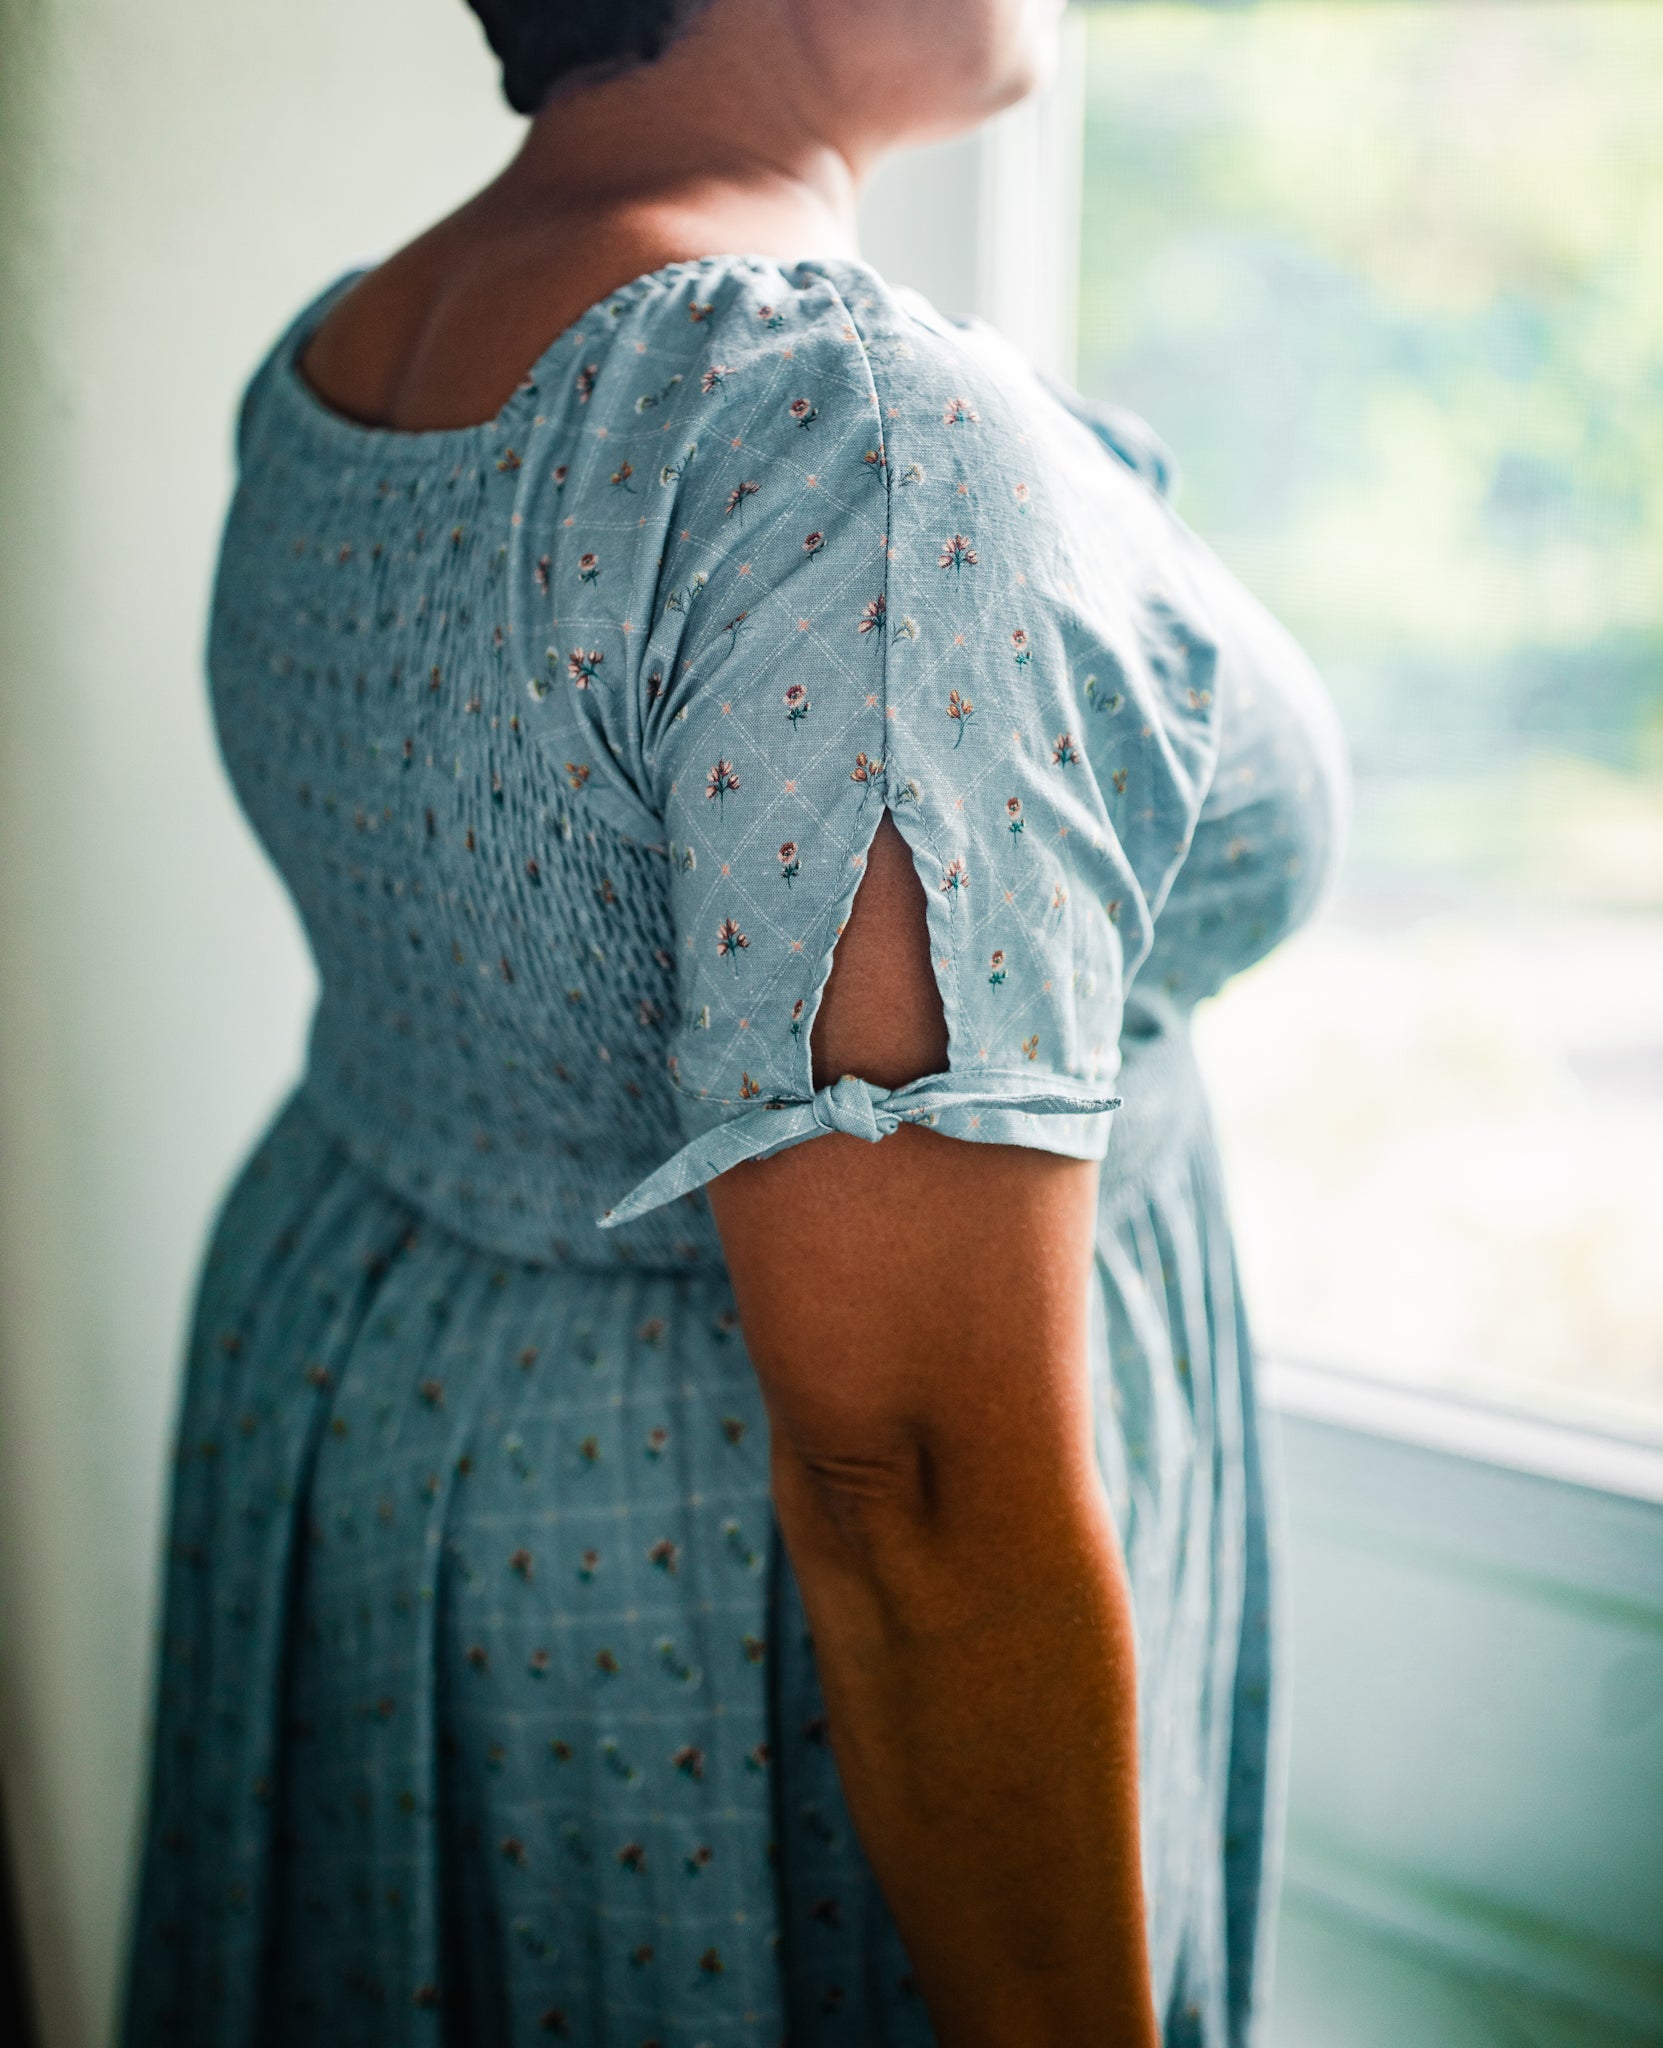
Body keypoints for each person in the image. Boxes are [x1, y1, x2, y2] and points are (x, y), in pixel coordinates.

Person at [122, 1, 1351, 2042]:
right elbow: (914, 1481)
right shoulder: (834, 438)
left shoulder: (363, 337)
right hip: (712, 1629)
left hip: (389, 1459)